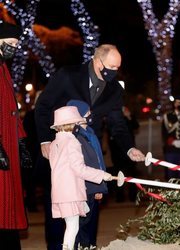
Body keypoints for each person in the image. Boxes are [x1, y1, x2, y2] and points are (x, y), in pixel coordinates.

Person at [34, 44, 145, 250]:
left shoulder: (114, 90)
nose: (113, 72)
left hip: (89, 150)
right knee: (63, 203)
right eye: (110, 66)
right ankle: (59, 246)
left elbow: (117, 123)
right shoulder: (68, 75)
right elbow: (42, 107)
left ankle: (87, 245)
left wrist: (129, 148)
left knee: (91, 202)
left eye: (117, 68)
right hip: (60, 150)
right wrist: (45, 140)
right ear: (97, 61)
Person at [49, 106, 112, 250]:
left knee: (72, 224)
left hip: (60, 192)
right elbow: (79, 169)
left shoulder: (54, 144)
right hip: (71, 192)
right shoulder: (72, 142)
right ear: (72, 124)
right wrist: (102, 175)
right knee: (73, 228)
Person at [0, 22, 28, 249]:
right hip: (1, 146)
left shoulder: (3, 68)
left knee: (9, 203)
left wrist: (21, 141)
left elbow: (12, 110)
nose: (13, 48)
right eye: (10, 43)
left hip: (8, 145)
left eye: (15, 45)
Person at [67, 99, 109, 249]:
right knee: (81, 224)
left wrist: (101, 186)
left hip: (94, 185)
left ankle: (87, 245)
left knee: (89, 221)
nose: (91, 114)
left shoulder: (90, 133)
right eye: (87, 112)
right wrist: (95, 187)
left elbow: (98, 160)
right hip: (84, 188)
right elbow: (84, 166)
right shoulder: (77, 137)